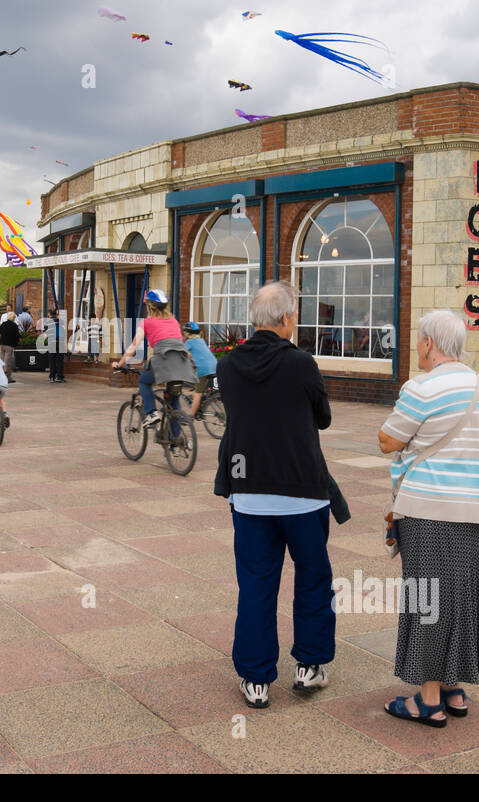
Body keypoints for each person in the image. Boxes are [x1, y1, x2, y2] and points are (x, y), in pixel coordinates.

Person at [378, 309, 479, 728]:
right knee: (465, 600)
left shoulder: (421, 387)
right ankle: (455, 688)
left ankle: (428, 700)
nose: (417, 346)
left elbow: (387, 440)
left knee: (429, 599)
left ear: (430, 343)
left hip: (432, 510)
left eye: (419, 340)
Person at [214, 281, 335, 709]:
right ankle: (309, 666)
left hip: (249, 494)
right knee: (313, 580)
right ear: (286, 319)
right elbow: (323, 418)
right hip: (303, 493)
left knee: (256, 586)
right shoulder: (302, 364)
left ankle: (256, 678)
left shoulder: (227, 367)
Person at [111, 290, 194, 423]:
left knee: (144, 381)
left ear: (149, 306)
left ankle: (151, 413)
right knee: (173, 401)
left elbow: (133, 347)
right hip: (181, 363)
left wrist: (119, 364)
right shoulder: (173, 321)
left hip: (163, 360)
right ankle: (177, 440)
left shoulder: (146, 322)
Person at [181, 321, 218, 418]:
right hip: (214, 367)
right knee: (203, 390)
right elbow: (195, 354)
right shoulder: (201, 341)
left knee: (197, 393)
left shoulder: (189, 342)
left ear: (186, 333)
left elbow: (181, 353)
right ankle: (202, 407)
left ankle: (191, 416)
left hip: (203, 369)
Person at [0, 311, 20, 383]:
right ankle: (8, 378)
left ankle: (0, 377)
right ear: (13, 318)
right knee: (7, 362)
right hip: (9, 345)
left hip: (2, 344)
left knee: (2, 361)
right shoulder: (14, 326)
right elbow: (17, 336)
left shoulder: (3, 324)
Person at [44, 308, 66, 383]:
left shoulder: (48, 322)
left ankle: (52, 377)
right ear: (55, 314)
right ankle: (59, 377)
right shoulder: (61, 321)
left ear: (50, 314)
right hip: (60, 342)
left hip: (51, 342)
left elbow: (45, 333)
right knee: (59, 360)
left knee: (52, 360)